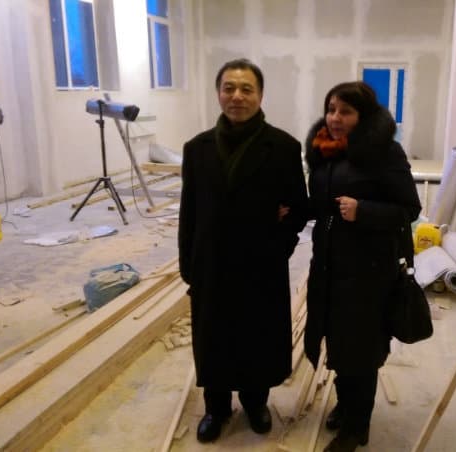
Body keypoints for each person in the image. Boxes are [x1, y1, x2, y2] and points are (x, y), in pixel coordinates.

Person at [178, 58, 308, 443]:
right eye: (229, 88)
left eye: (246, 89)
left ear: (260, 95)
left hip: (260, 263)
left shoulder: (283, 147)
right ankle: (216, 408)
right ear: (218, 94)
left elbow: (297, 209)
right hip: (212, 262)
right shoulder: (197, 149)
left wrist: (278, 248)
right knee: (213, 337)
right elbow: (189, 212)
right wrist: (189, 264)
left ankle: (255, 403)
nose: (237, 96)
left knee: (257, 335)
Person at [303, 81, 422, 451]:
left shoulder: (386, 153)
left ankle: (357, 427)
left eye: (346, 112)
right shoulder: (324, 150)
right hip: (328, 265)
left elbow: (409, 209)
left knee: (361, 349)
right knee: (338, 343)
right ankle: (346, 405)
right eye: (331, 109)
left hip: (368, 271)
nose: (335, 118)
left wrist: (364, 211)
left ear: (364, 116)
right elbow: (322, 204)